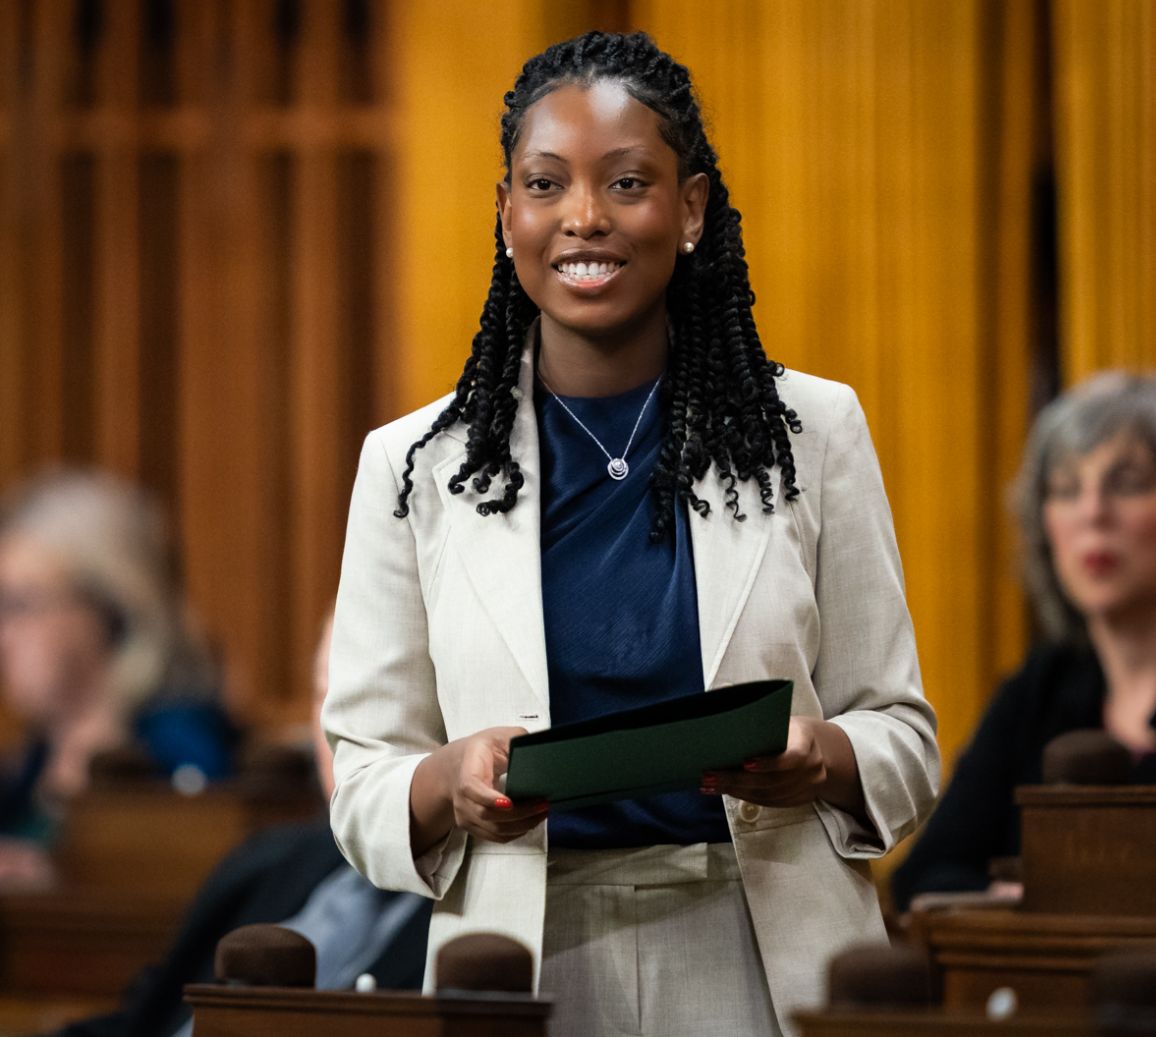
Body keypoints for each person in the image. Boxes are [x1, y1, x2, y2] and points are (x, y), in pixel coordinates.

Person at [323, 31, 939, 1037]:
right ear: (505, 211)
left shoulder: (815, 432)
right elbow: (361, 781)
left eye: (626, 182)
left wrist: (819, 753)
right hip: (521, 960)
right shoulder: (410, 467)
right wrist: (447, 779)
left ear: (690, 208)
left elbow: (904, 740)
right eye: (545, 183)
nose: (582, 217)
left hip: (758, 943)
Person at [53, 611, 431, 1037]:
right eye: (326, 698)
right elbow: (139, 1022)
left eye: (365, 703)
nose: (338, 735)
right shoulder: (263, 862)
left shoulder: (480, 920)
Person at [891, 371, 1156, 914]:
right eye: (1065, 489)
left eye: (1126, 483)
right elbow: (923, 877)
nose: (1092, 512)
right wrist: (1018, 901)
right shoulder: (1039, 690)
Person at [0, 469, 236, 887]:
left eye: (18, 605)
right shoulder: (27, 768)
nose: (4, 637)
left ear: (109, 611)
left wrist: (56, 878)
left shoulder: (184, 750)